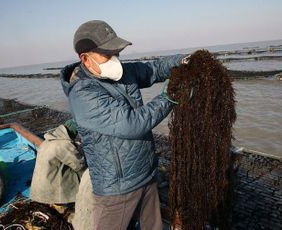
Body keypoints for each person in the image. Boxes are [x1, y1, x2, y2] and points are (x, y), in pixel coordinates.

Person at [60, 20, 187, 230]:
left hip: (146, 174)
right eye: (107, 55)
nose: (114, 60)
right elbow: (132, 124)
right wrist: (170, 98)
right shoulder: (83, 94)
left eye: (116, 53)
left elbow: (153, 69)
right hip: (117, 188)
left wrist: (181, 61)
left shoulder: (121, 73)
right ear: (85, 58)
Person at [30, 120, 86, 205]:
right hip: (52, 192)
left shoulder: (47, 141)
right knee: (83, 175)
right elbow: (79, 165)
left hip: (39, 190)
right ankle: (68, 203)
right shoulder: (63, 144)